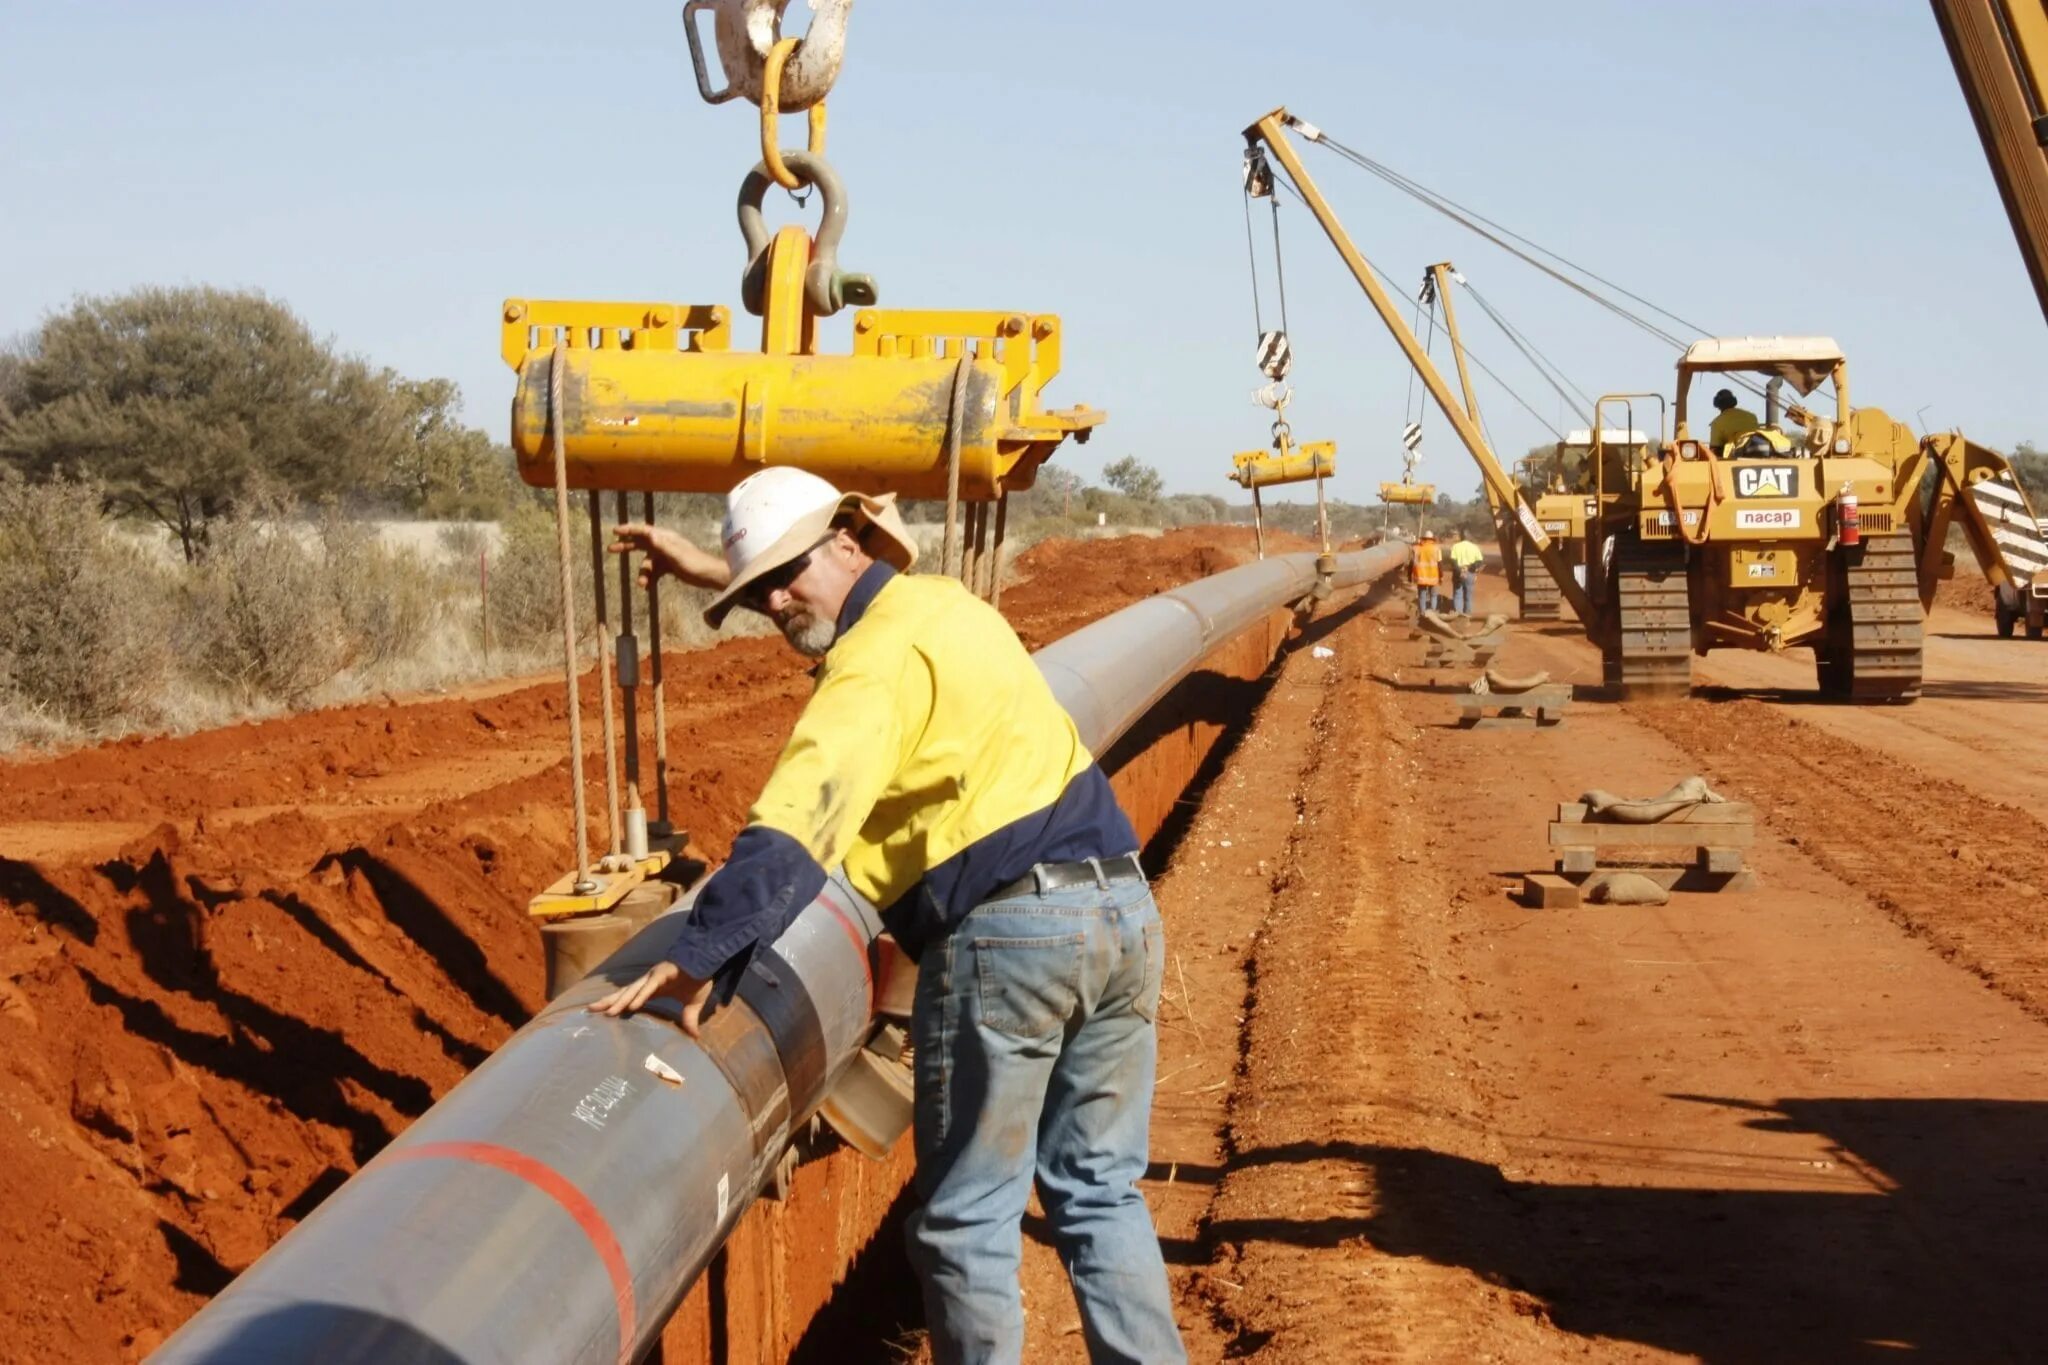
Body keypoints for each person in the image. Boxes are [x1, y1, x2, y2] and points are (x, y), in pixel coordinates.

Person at [597, 469, 1185, 1365]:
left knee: (966, 1223)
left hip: (1015, 937)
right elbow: (825, 600)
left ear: (847, 538)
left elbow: (799, 819)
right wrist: (712, 569)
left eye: (784, 574)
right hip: (1121, 910)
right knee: (1100, 1191)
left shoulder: (870, 664)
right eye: (759, 591)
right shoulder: (941, 607)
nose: (776, 600)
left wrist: (700, 951)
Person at [1708, 388, 1761, 453]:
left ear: (1717, 404)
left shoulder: (1717, 423)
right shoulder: (1752, 416)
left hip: (1736, 458)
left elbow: (1714, 449)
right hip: (1759, 453)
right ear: (1734, 401)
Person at [1448, 529, 1484, 616]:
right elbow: (1479, 561)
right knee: (1468, 596)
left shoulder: (1455, 547)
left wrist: (1460, 570)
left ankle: (1458, 615)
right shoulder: (1474, 547)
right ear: (1469, 537)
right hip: (1470, 573)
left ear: (1461, 537)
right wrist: (1469, 568)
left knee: (1458, 595)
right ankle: (1467, 616)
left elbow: (1453, 561)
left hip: (1458, 573)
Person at [1411, 528, 1442, 614]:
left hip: (1421, 576)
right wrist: (1441, 576)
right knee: (1433, 595)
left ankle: (1422, 612)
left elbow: (1412, 563)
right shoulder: (1436, 548)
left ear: (1423, 539)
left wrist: (1410, 576)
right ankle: (1433, 612)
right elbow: (1439, 564)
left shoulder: (1416, 548)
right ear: (1432, 539)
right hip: (1433, 576)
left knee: (1422, 596)